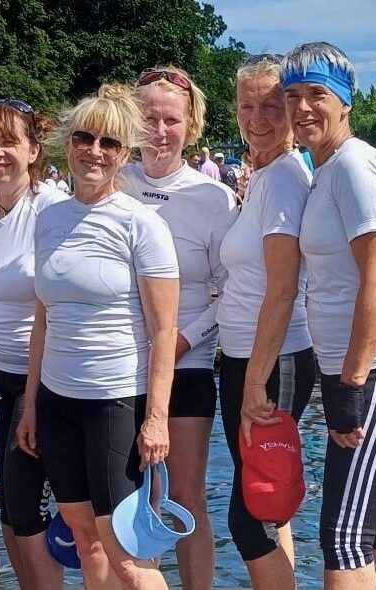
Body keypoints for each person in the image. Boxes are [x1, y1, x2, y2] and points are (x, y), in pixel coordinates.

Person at [17, 83, 180, 590]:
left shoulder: (141, 224)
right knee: (84, 538)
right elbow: (42, 318)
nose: (95, 151)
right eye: (85, 138)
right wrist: (30, 406)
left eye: (109, 143)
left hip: (117, 403)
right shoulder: (49, 218)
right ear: (67, 144)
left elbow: (164, 331)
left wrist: (156, 419)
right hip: (59, 401)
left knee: (129, 554)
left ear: (124, 154)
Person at [281, 42, 376, 589]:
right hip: (363, 370)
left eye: (317, 94)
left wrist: (349, 385)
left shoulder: (355, 165)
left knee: (343, 537)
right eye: (292, 95)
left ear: (345, 102)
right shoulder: (324, 168)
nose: (302, 108)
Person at [118, 65, 238, 590]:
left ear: (190, 127)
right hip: (121, 367)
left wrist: (187, 336)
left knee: (183, 494)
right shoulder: (114, 182)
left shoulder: (214, 199)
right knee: (125, 501)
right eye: (149, 118)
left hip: (185, 363)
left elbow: (228, 289)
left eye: (171, 120)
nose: (159, 131)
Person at [216, 53, 316, 590]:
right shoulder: (263, 177)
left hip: (272, 363)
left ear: (293, 110)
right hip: (244, 358)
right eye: (246, 105)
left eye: (272, 105)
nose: (257, 118)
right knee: (268, 504)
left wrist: (256, 381)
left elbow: (281, 290)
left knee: (249, 518)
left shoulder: (279, 181)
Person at [0, 99, 66, 590]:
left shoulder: (51, 210)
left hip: (37, 376)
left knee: (26, 505)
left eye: (9, 142)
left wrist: (35, 397)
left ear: (33, 151)